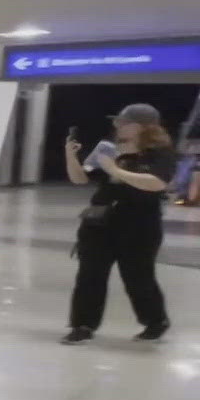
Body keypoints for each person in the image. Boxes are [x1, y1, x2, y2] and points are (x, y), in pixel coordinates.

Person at [62, 104, 174, 345]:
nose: (118, 126)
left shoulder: (159, 153)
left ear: (144, 126)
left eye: (124, 122)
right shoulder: (107, 148)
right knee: (90, 275)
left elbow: (156, 183)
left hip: (139, 225)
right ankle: (82, 324)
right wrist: (71, 156)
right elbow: (80, 178)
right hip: (99, 223)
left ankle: (155, 321)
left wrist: (116, 170)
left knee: (138, 276)